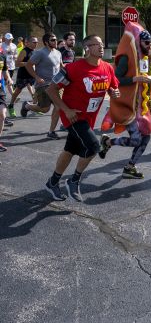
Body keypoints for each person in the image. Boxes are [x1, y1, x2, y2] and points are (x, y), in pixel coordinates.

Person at [44, 35, 120, 202]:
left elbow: (113, 88)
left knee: (70, 150)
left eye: (102, 44)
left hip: (89, 119)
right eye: (96, 44)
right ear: (87, 48)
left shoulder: (108, 68)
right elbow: (51, 90)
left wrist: (114, 93)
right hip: (73, 116)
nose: (101, 47)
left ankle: (53, 182)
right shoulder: (73, 68)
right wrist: (66, 109)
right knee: (93, 147)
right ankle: (74, 180)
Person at [99, 26, 151, 179]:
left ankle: (129, 167)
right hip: (128, 106)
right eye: (146, 43)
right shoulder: (127, 58)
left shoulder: (146, 58)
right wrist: (135, 79)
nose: (149, 46)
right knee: (137, 139)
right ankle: (108, 143)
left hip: (142, 106)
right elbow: (115, 80)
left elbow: (146, 78)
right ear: (139, 42)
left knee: (146, 137)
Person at [21, 32, 63, 139]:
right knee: (44, 109)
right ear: (46, 42)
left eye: (56, 39)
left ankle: (51, 132)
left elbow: (61, 67)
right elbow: (29, 65)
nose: (55, 41)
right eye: (52, 40)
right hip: (43, 85)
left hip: (56, 85)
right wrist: (36, 77)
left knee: (59, 107)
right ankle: (27, 106)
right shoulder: (40, 53)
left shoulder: (58, 53)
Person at [8, 36, 38, 117]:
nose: (36, 44)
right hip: (23, 75)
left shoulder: (35, 51)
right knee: (17, 91)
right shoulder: (24, 51)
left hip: (31, 74)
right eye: (34, 42)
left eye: (37, 42)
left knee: (35, 91)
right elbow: (17, 63)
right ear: (27, 43)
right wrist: (28, 63)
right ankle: (11, 106)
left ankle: (35, 107)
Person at [0, 51, 13, 153]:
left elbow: (4, 70)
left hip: (0, 90)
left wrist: (8, 78)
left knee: (2, 115)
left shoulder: (2, 56)